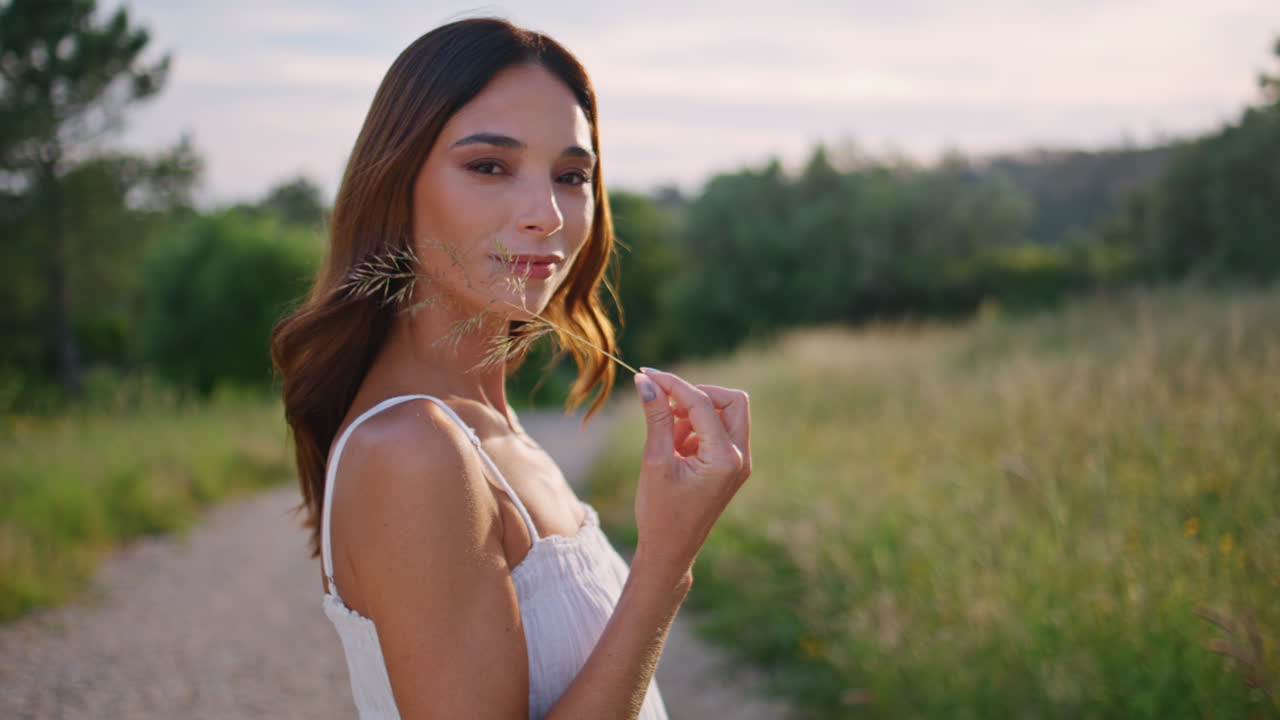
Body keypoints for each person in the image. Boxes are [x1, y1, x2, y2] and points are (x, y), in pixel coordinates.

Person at [270, 17, 751, 720]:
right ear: (394, 184)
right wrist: (665, 565)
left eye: (571, 175)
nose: (547, 214)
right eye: (489, 166)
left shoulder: (489, 424)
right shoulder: (412, 449)